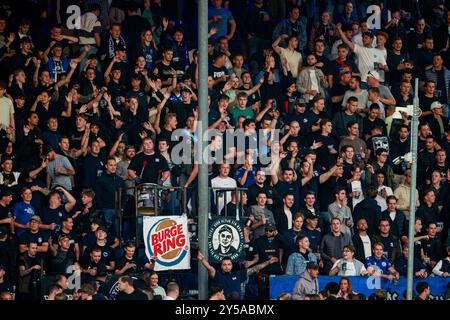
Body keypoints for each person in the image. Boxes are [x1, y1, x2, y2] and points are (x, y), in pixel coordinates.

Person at [197, 250, 278, 300]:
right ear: (221, 266)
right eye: (224, 265)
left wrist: (268, 262)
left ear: (232, 266)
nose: (226, 267)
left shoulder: (238, 274)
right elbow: (210, 268)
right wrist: (202, 259)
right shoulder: (217, 275)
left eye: (229, 264)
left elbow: (254, 269)